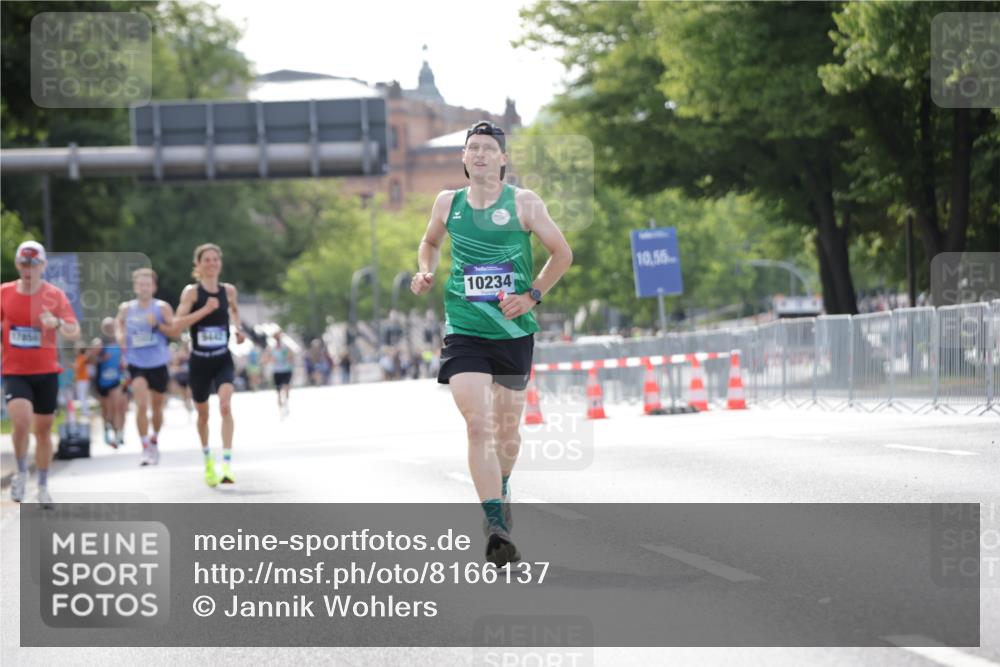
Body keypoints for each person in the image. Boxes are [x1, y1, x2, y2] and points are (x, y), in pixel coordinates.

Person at [411, 120, 572, 567]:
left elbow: (563, 253)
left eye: (487, 149)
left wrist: (532, 295)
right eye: (472, 148)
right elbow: (429, 242)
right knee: (477, 424)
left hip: (512, 332)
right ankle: (495, 525)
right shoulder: (448, 203)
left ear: (502, 159)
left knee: (507, 431)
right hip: (464, 328)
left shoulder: (524, 203)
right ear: (463, 158)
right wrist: (425, 269)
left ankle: (501, 488)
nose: (479, 154)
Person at [1, 241, 81, 504]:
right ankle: (22, 473)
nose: (29, 269)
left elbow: (74, 331)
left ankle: (43, 485)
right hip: (15, 371)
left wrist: (56, 322)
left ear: (43, 266)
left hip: (46, 372)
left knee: (44, 431)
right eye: (24, 264)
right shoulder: (4, 293)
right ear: (17, 265)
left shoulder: (54, 295)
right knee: (22, 421)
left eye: (34, 264)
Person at [173, 243, 245, 486]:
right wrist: (204, 310)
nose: (212, 263)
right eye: (207, 260)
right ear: (198, 265)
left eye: (216, 259)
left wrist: (239, 330)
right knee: (203, 414)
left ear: (220, 263)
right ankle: (208, 461)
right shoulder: (191, 294)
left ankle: (226, 464)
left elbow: (234, 313)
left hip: (222, 357)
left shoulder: (229, 291)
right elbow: (177, 324)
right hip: (199, 362)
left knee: (225, 406)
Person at [117, 268, 196, 466]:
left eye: (147, 284)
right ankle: (145, 447)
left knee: (157, 407)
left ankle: (154, 439)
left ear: (153, 287)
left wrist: (157, 326)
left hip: (158, 362)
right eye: (140, 284)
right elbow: (119, 325)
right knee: (141, 404)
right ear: (135, 286)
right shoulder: (126, 308)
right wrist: (121, 339)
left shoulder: (162, 308)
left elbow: (175, 332)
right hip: (136, 362)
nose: (144, 287)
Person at [95, 317, 126, 448]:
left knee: (118, 406)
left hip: (117, 379)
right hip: (102, 381)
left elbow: (128, 357)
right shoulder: (99, 343)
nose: (109, 329)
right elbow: (89, 360)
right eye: (106, 327)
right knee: (106, 410)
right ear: (103, 329)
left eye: (111, 326)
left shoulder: (121, 341)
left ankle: (118, 434)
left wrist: (124, 363)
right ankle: (107, 431)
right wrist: (100, 357)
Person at [263, 330, 294, 418]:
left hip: (286, 369)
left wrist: (288, 358)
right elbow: (266, 359)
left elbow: (291, 355)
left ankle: (286, 403)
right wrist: (269, 360)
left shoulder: (286, 346)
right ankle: (281, 410)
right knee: (279, 391)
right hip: (277, 371)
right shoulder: (271, 347)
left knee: (286, 387)